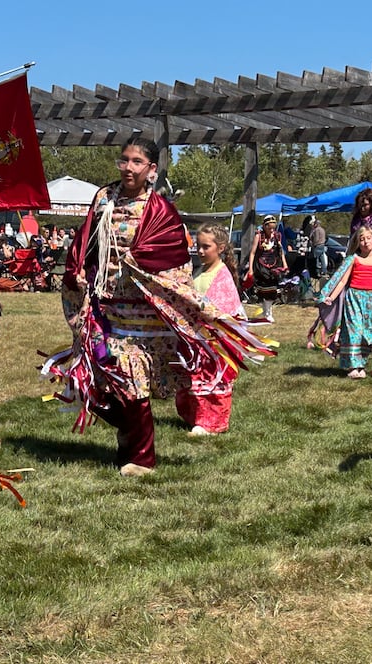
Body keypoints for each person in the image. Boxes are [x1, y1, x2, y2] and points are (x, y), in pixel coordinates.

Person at [52, 137, 273, 477]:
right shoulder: (103, 199)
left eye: (137, 162)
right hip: (106, 308)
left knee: (132, 377)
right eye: (123, 159)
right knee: (101, 377)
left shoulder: (161, 211)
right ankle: (128, 440)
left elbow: (175, 262)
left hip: (145, 312)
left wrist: (138, 263)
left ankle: (141, 459)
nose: (128, 167)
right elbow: (86, 240)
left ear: (151, 170)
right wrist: (80, 268)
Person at [175, 224, 245, 435]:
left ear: (220, 248)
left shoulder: (222, 276)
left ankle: (212, 422)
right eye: (198, 246)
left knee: (212, 380)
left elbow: (222, 310)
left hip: (214, 340)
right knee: (197, 378)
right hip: (198, 337)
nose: (200, 251)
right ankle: (198, 417)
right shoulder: (201, 271)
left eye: (206, 247)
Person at [316, 226, 372, 379]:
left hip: (371, 301)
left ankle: (361, 364)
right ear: (358, 243)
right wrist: (331, 297)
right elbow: (341, 282)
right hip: (354, 299)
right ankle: (352, 366)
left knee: (367, 333)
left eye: (368, 238)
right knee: (355, 331)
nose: (365, 242)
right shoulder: (353, 259)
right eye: (362, 239)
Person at [247, 215, 288, 322]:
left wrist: (284, 264)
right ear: (264, 227)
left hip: (273, 266)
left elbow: (280, 252)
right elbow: (252, 253)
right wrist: (250, 269)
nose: (271, 230)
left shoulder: (277, 237)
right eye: (269, 228)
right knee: (262, 290)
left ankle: (268, 312)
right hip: (261, 266)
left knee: (272, 289)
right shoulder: (259, 237)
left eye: (273, 228)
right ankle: (265, 311)